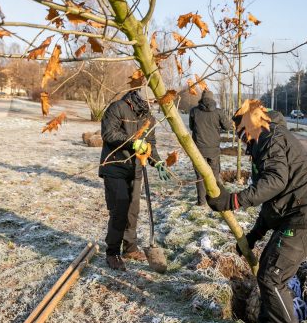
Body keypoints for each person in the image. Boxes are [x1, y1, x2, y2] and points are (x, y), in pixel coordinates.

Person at [206, 102, 307, 323]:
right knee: (267, 268)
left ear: (251, 123)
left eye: (241, 132)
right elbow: (272, 201)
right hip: (296, 214)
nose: (241, 139)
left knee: (272, 277)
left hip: (306, 218)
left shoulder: (271, 137)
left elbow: (275, 182)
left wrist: (233, 201)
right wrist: (254, 235)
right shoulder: (265, 141)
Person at [99, 89, 172, 271]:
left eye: (154, 102)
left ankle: (130, 248)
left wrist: (158, 162)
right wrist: (133, 142)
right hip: (115, 166)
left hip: (136, 169)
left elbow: (150, 144)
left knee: (133, 211)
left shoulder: (148, 116)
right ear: (139, 97)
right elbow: (109, 133)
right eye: (150, 100)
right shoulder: (117, 107)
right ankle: (112, 252)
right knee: (119, 209)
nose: (151, 104)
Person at [189, 90, 232, 206]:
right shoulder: (219, 112)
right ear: (213, 99)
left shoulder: (194, 111)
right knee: (214, 174)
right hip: (214, 150)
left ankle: (201, 202)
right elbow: (228, 127)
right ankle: (215, 200)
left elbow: (192, 127)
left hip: (198, 149)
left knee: (200, 176)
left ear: (201, 99)